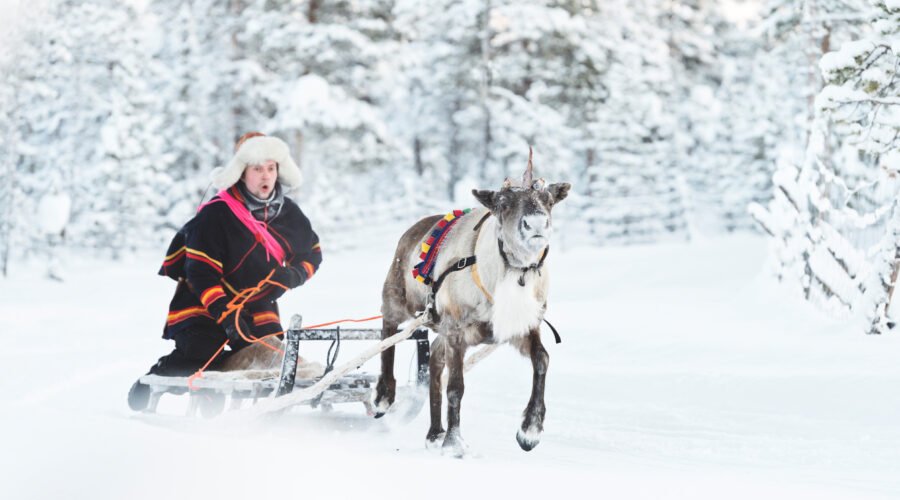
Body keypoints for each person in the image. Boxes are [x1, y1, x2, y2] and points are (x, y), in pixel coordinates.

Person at [128, 132, 322, 411]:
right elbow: (200, 272)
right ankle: (157, 377)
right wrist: (226, 315)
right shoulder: (216, 214)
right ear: (242, 173)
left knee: (270, 358)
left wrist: (294, 275)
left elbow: (312, 253)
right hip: (204, 300)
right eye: (257, 169)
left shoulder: (289, 214)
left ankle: (224, 388)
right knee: (203, 351)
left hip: (256, 305)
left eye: (271, 168)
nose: (266, 176)